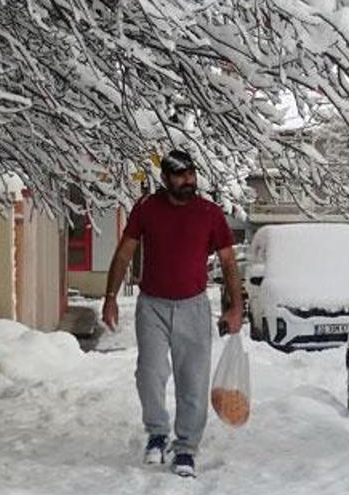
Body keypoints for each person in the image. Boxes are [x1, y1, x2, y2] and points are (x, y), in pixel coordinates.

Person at [102, 149, 244, 477]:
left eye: (191, 174)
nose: (188, 181)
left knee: (192, 380)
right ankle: (156, 433)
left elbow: (228, 262)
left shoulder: (209, 213)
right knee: (149, 373)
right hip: (152, 305)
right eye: (180, 175)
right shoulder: (147, 209)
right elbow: (124, 254)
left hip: (193, 305)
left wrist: (235, 306)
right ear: (165, 179)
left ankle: (186, 449)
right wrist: (110, 296)